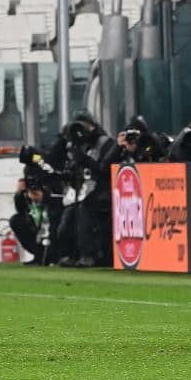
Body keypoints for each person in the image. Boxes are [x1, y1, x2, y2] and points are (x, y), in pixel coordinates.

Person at [44, 110, 112, 267]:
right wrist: (64, 140)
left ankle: (87, 255)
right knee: (67, 217)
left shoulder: (105, 143)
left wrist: (84, 159)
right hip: (82, 192)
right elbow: (62, 164)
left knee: (84, 212)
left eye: (83, 127)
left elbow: (105, 169)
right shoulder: (79, 146)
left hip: (102, 191)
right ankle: (68, 254)